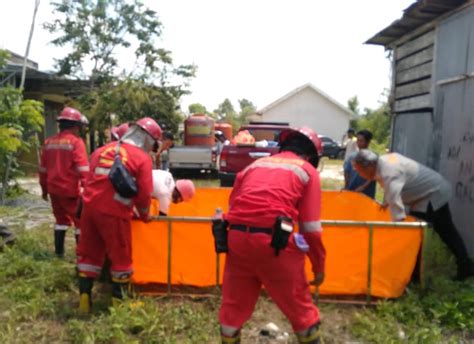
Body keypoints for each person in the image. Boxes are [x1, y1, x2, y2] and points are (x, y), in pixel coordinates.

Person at [218, 127, 326, 344]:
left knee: (233, 306)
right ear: (311, 156)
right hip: (275, 243)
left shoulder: (253, 166)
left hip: (236, 239)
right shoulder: (307, 171)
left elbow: (235, 206)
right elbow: (311, 229)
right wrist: (318, 265)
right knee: (301, 309)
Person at [76, 117, 162, 314]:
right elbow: (144, 194)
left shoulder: (101, 150)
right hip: (113, 213)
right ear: (148, 140)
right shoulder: (141, 159)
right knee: (121, 257)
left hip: (89, 209)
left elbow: (89, 180)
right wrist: (145, 215)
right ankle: (119, 304)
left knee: (89, 254)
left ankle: (84, 299)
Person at [353, 149, 474, 281]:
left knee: (431, 234)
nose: (359, 174)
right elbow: (394, 187)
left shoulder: (389, 172)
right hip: (427, 193)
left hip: (433, 194)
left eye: (359, 170)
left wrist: (398, 227)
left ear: (369, 165)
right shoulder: (384, 161)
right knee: (441, 232)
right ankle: (463, 265)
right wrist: (387, 202)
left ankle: (417, 274)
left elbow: (395, 201)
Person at [39, 107, 89, 257]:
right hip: (70, 191)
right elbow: (83, 169)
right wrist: (87, 189)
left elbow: (42, 170)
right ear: (75, 126)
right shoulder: (76, 142)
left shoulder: (48, 142)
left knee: (60, 220)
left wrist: (44, 190)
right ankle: (81, 254)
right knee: (80, 222)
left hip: (54, 190)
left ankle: (59, 253)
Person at [343, 130, 376, 198]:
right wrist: (346, 186)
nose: (358, 143)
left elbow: (374, 175)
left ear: (368, 142)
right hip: (352, 191)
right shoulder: (352, 156)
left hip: (367, 194)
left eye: (361, 141)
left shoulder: (373, 157)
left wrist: (363, 187)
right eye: (358, 140)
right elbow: (347, 171)